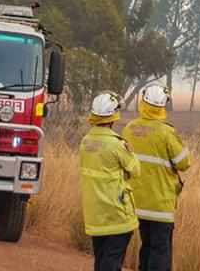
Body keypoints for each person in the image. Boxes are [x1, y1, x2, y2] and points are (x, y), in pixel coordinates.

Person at [123, 84, 191, 271]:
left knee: (146, 248)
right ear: (163, 106)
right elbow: (184, 163)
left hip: (137, 202)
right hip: (160, 205)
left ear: (143, 103)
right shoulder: (166, 132)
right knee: (160, 251)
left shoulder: (129, 129)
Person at [79, 91, 140, 271]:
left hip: (95, 215)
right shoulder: (117, 144)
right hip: (116, 215)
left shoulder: (85, 142)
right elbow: (136, 170)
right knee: (112, 261)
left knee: (101, 258)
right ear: (113, 117)